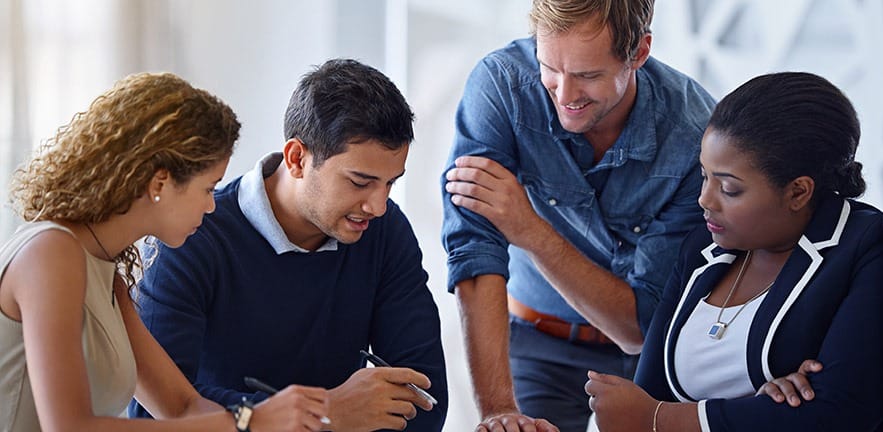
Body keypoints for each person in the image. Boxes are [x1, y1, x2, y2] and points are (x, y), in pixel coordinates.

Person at [127, 59, 448, 431]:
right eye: (360, 182)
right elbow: (159, 413)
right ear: (297, 158)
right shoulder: (191, 237)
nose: (377, 205)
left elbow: (424, 400)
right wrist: (330, 412)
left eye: (390, 183)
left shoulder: (385, 230)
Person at [0, 72, 330, 432]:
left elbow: (181, 406)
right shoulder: (52, 253)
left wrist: (283, 419)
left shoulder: (106, 275)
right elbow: (69, 427)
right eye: (208, 188)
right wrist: (249, 421)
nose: (211, 207)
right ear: (160, 183)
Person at [440, 0, 714, 430]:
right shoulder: (501, 85)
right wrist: (497, 410)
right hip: (536, 341)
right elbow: (474, 247)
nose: (564, 96)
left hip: (652, 359)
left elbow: (639, 328)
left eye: (587, 76)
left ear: (639, 53)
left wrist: (529, 229)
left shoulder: (695, 136)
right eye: (550, 67)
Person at [584, 72, 883, 431]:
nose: (704, 199)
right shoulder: (701, 248)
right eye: (704, 175)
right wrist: (756, 409)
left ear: (798, 192)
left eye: (728, 188)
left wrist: (663, 418)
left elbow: (841, 411)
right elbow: (648, 394)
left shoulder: (866, 247)